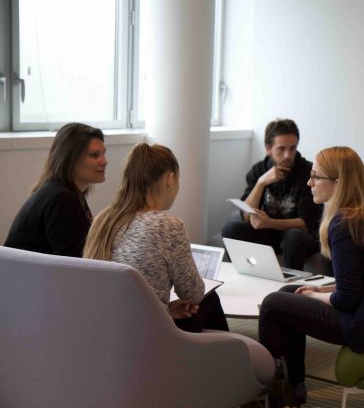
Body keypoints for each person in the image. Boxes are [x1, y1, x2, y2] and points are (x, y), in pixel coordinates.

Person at [259, 146, 364, 405]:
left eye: (316, 177)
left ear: (338, 182)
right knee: (288, 295)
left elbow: (347, 299)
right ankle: (293, 385)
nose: (309, 182)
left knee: (272, 304)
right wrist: (322, 291)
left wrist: (313, 295)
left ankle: (274, 388)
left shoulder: (344, 222)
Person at [83, 143, 228, 333]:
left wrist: (166, 310)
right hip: (150, 336)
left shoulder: (103, 220)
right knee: (209, 299)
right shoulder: (167, 226)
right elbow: (192, 293)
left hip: (107, 329)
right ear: (171, 179)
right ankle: (230, 357)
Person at [221, 118, 323, 270]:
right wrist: (261, 183)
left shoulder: (307, 172)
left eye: (292, 148)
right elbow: (246, 215)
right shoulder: (259, 170)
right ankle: (244, 273)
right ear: (268, 148)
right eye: (281, 149)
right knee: (231, 228)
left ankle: (292, 287)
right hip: (268, 234)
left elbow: (307, 223)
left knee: (293, 236)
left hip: (299, 236)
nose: (288, 155)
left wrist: (270, 222)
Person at [4, 123, 107, 257]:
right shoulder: (62, 199)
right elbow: (73, 264)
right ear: (70, 159)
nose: (104, 161)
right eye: (94, 155)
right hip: (25, 277)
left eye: (103, 153)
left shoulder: (60, 191)